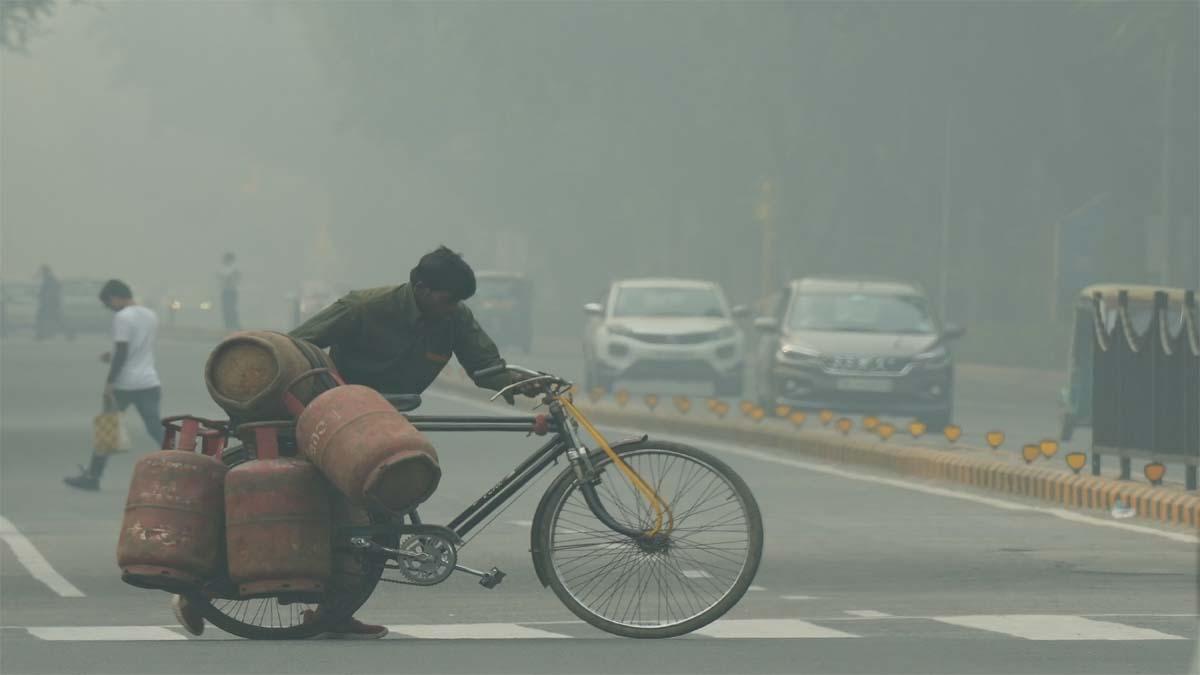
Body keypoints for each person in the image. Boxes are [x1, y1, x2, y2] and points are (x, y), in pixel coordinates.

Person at [171, 246, 539, 640]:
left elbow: (485, 369)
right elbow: (294, 348)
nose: (453, 308)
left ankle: (333, 613)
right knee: (314, 517)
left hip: (386, 423)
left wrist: (527, 385)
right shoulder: (364, 307)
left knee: (383, 517)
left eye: (459, 302)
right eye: (448, 299)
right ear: (421, 287)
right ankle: (204, 590)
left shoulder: (454, 318)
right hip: (334, 420)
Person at [64, 280, 165, 491]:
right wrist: (110, 356)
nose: (109, 308)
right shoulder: (150, 314)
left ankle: (93, 477)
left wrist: (109, 382)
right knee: (156, 428)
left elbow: (122, 351)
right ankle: (187, 465)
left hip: (125, 384)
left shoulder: (122, 317)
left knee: (107, 429)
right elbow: (137, 349)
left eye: (108, 303)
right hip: (149, 381)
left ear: (115, 297)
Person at [35, 264, 64, 341]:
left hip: (49, 304)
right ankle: (41, 334)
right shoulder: (51, 279)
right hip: (50, 304)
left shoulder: (50, 280)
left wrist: (42, 296)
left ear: (46, 272)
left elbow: (48, 292)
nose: (41, 273)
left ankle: (40, 335)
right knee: (53, 319)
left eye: (43, 271)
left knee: (42, 318)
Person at [218, 252, 240, 331]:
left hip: (232, 291)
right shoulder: (222, 269)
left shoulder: (234, 269)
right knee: (225, 308)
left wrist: (229, 279)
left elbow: (236, 279)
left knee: (231, 308)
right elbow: (220, 279)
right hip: (224, 291)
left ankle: (234, 325)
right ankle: (227, 325)